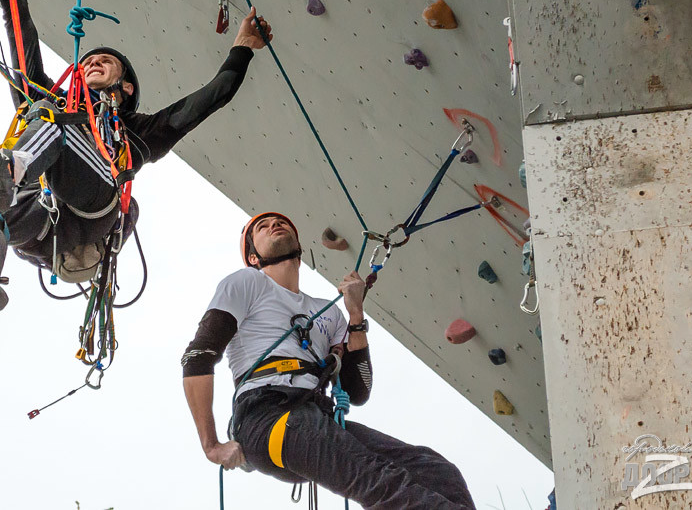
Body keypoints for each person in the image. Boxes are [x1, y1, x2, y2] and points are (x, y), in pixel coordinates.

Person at [0, 0, 272, 310]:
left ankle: (11, 168)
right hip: (42, 220)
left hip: (93, 212)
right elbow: (19, 31)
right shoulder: (52, 99)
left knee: (51, 120)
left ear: (127, 88)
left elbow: (209, 99)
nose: (92, 61)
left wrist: (243, 46)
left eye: (105, 61)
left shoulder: (143, 132)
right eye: (87, 61)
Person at [181, 212, 477, 509]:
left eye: (281, 222)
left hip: (314, 416)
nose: (274, 224)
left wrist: (356, 315)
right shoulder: (246, 283)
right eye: (262, 227)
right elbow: (198, 358)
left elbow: (357, 391)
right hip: (266, 416)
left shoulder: (328, 312)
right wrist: (211, 445)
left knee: (434, 469)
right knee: (383, 482)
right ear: (254, 257)